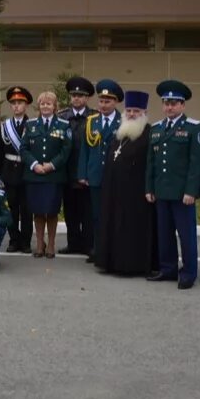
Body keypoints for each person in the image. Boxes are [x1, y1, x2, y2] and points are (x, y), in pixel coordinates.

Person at [145, 80, 200, 289]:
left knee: (186, 234)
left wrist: (191, 191)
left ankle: (189, 272)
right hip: (162, 191)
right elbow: (151, 163)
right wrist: (149, 188)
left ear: (183, 105)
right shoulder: (156, 129)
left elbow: (196, 164)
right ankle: (168, 268)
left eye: (174, 103)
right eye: (166, 103)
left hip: (182, 193)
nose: (169, 107)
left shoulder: (193, 128)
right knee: (164, 233)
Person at [94, 91, 156, 275]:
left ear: (143, 112)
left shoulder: (148, 134)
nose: (131, 114)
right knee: (114, 225)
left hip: (136, 193)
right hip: (114, 191)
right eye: (128, 110)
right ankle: (111, 263)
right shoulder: (120, 133)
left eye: (135, 111)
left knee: (131, 229)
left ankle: (130, 266)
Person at [20, 91, 72, 258]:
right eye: (42, 103)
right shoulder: (31, 125)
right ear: (39, 106)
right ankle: (39, 245)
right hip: (34, 175)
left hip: (53, 176)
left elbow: (66, 150)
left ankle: (51, 244)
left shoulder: (64, 125)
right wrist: (34, 165)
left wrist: (51, 165)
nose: (45, 106)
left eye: (48, 103)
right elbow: (23, 148)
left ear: (54, 106)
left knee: (52, 211)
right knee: (38, 211)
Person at [77, 80, 123, 263]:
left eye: (108, 101)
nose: (104, 105)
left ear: (116, 102)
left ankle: (113, 249)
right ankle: (98, 248)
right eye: (101, 101)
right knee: (96, 215)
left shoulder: (123, 121)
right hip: (95, 175)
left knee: (114, 214)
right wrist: (82, 174)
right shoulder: (91, 121)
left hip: (115, 177)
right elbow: (85, 150)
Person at [58, 76, 97, 256]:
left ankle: (88, 244)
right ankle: (73, 243)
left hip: (87, 173)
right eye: (74, 95)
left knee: (87, 212)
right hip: (66, 172)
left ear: (87, 98)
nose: (76, 98)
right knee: (70, 211)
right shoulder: (62, 117)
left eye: (80, 95)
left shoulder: (94, 117)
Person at [1, 86, 32, 253]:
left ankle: (26, 241)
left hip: (26, 171)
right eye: (13, 103)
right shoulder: (5, 125)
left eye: (20, 103)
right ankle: (13, 240)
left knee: (26, 209)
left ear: (26, 105)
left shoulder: (32, 125)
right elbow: (0, 150)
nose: (16, 106)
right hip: (9, 171)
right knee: (11, 208)